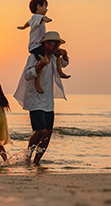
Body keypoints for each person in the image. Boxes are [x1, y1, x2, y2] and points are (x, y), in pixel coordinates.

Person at [13, 31, 69, 165]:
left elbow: (64, 64)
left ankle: (37, 160)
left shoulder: (54, 58)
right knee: (40, 130)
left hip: (48, 101)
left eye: (58, 44)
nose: (57, 47)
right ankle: (28, 155)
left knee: (48, 132)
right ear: (46, 43)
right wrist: (40, 65)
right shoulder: (34, 57)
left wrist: (65, 54)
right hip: (35, 100)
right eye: (55, 44)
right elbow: (27, 75)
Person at [17, 0, 70, 94]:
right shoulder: (37, 17)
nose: (46, 9)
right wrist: (47, 19)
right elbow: (27, 75)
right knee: (43, 61)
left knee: (53, 57)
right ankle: (37, 82)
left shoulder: (32, 19)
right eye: (45, 6)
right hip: (36, 46)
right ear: (38, 6)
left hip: (48, 104)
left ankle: (60, 72)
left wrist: (23, 27)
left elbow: (27, 23)